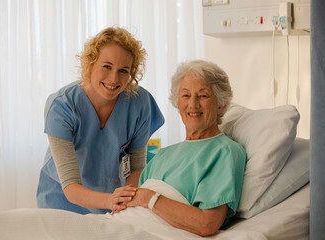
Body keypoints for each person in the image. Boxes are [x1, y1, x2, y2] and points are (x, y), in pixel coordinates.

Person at [36, 27, 165, 215]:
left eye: (123, 70)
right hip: (62, 200)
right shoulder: (62, 106)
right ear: (90, 64)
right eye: (106, 66)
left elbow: (136, 168)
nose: (114, 78)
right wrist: (112, 200)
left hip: (112, 201)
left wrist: (126, 200)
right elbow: (70, 186)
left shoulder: (140, 103)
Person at [124, 60, 246, 237]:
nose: (193, 104)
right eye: (186, 95)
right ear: (177, 102)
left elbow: (206, 223)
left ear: (221, 105)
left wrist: (147, 197)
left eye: (203, 96)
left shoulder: (225, 152)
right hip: (126, 224)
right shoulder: (163, 155)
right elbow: (139, 206)